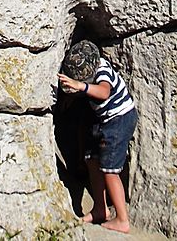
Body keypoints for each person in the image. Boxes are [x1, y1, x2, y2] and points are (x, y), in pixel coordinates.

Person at [58, 40, 138, 234]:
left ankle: (122, 219)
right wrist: (72, 95)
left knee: (110, 170)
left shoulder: (102, 70)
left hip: (120, 119)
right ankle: (100, 210)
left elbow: (103, 92)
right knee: (91, 159)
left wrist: (80, 87)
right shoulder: (91, 70)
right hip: (104, 120)